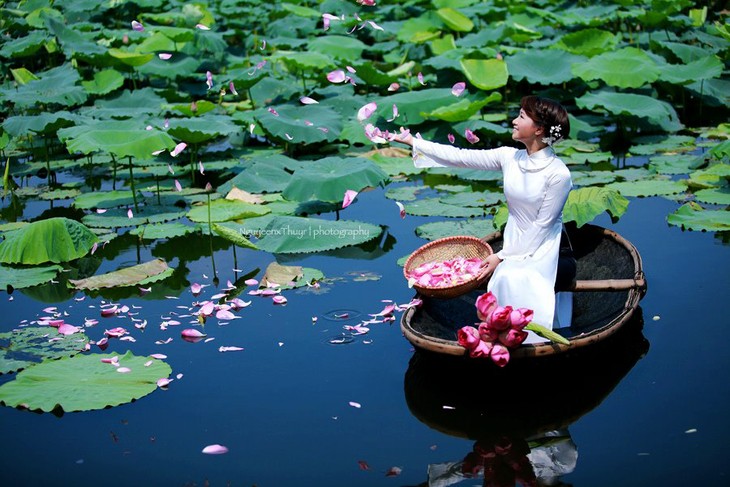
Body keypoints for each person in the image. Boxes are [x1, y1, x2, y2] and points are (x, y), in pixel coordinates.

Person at [395, 96, 573, 342]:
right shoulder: (509, 157)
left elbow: (542, 227)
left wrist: (501, 256)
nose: (513, 120)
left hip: (543, 245)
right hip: (514, 236)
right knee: (504, 274)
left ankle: (531, 337)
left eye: (521, 116)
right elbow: (460, 156)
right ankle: (502, 334)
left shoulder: (558, 174)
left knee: (513, 276)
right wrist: (415, 142)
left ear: (539, 129)